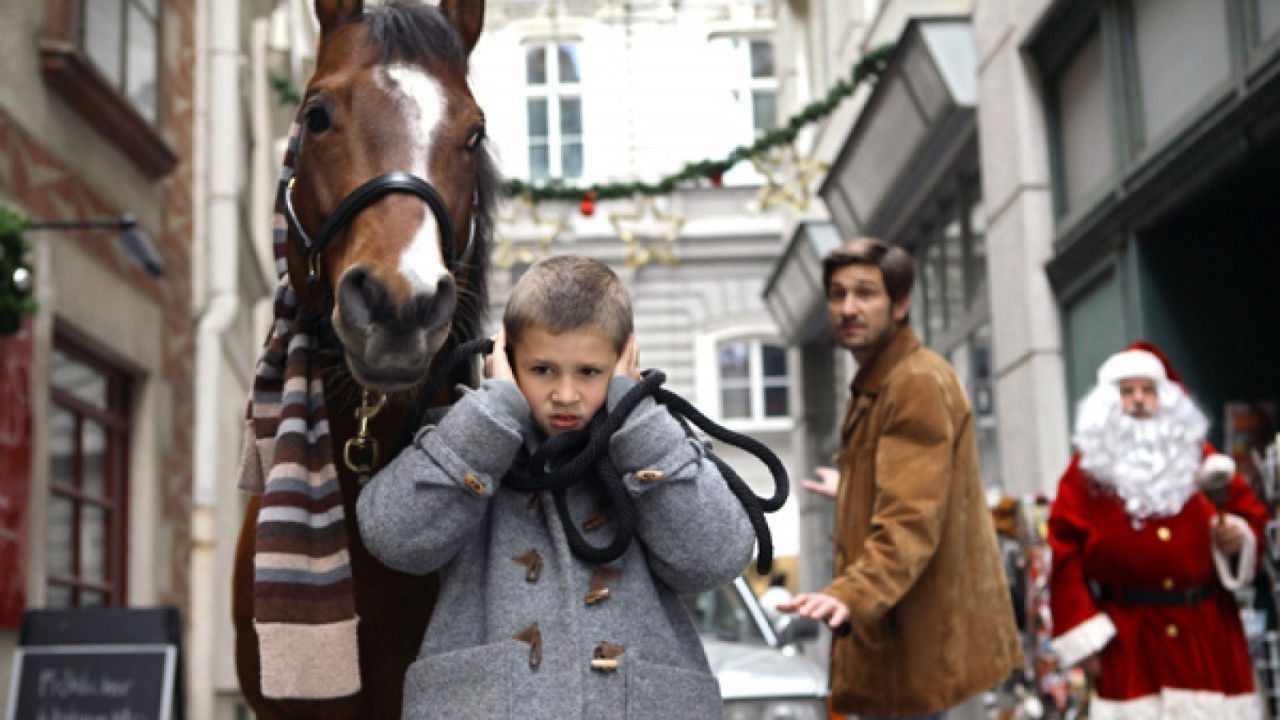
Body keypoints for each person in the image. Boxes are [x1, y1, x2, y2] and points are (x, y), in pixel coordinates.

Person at [357, 255, 755, 719]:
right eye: (543, 369)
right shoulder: (469, 438)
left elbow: (717, 559)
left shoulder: (653, 442)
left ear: (625, 360)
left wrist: (639, 420)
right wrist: (491, 417)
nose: (565, 394)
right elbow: (392, 537)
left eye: (589, 372)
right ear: (505, 358)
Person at [778, 237, 1022, 719]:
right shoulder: (883, 382)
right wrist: (851, 491)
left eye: (866, 293)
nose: (848, 307)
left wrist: (849, 593)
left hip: (916, 658)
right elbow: (914, 488)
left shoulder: (913, 383)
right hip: (902, 653)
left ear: (901, 303)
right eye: (838, 294)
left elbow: (910, 521)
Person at [1047, 342, 1268, 719]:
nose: (1138, 401)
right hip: (1130, 645)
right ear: (1107, 404)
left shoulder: (1204, 460)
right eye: (1127, 391)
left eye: (1147, 390)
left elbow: (1252, 519)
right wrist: (1087, 644)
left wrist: (1239, 539)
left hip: (1208, 639)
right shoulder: (1085, 476)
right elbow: (1064, 558)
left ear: (1165, 399)